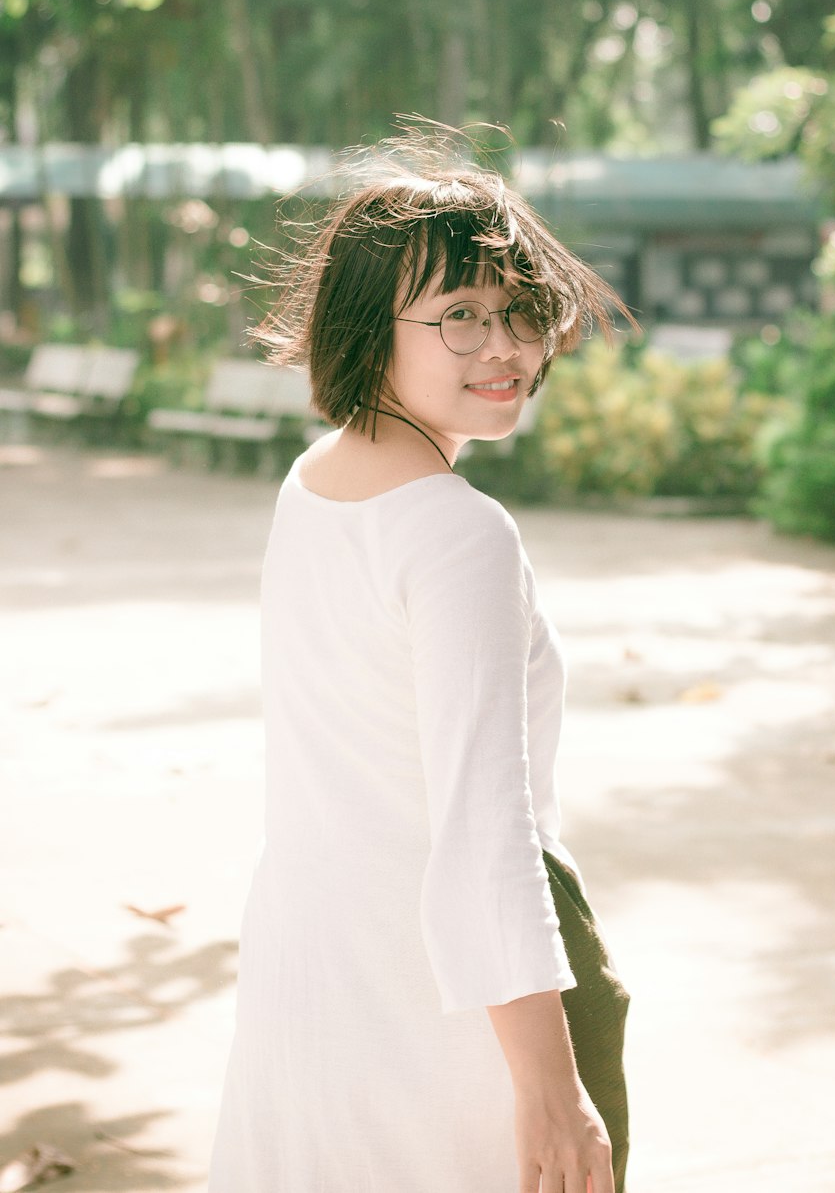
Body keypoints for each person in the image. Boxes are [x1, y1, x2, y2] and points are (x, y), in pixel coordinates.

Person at [207, 128, 634, 1193]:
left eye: (518, 310)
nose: (506, 348)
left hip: (319, 981)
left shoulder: (317, 481)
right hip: (455, 1022)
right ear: (368, 328)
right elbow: (484, 836)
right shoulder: (456, 532)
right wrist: (548, 1089)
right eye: (459, 317)